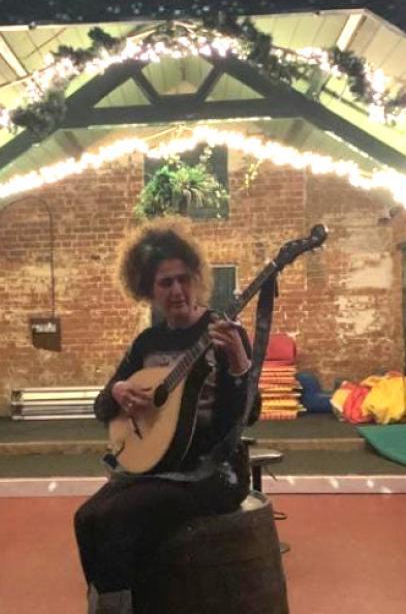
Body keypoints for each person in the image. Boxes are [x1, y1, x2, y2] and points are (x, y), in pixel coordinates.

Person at [74, 218, 259, 614]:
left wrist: (241, 363)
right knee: (86, 517)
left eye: (183, 279)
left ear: (196, 278)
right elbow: (101, 408)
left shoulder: (225, 334)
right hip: (156, 467)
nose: (177, 290)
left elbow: (248, 416)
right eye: (165, 283)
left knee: (120, 518)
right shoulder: (148, 343)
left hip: (212, 471)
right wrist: (119, 391)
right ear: (148, 290)